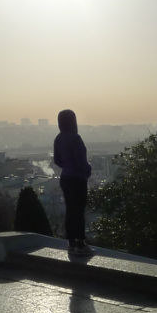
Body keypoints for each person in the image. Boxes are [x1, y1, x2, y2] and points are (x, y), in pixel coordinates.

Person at [54, 109, 93, 256]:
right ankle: (81, 243)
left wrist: (67, 166)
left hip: (65, 179)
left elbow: (57, 160)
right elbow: (81, 161)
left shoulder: (58, 138)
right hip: (78, 179)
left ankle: (71, 243)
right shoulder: (75, 138)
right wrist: (87, 170)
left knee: (70, 211)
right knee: (79, 211)